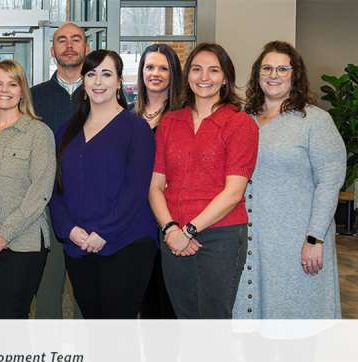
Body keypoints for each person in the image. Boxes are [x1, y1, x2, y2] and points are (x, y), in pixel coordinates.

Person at [234, 41, 345, 319]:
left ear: (295, 75)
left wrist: (315, 237)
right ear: (257, 74)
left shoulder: (315, 121)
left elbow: (329, 182)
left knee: (295, 326)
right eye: (267, 68)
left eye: (283, 68)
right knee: (252, 331)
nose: (274, 75)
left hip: (296, 241)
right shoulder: (243, 120)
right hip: (251, 241)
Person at [148, 43, 259, 319]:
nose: (204, 77)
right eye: (196, 70)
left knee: (213, 321)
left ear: (226, 77)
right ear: (187, 76)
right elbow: (154, 186)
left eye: (213, 70)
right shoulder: (171, 122)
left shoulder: (240, 123)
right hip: (172, 234)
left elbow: (233, 192)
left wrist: (189, 232)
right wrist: (171, 229)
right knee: (184, 318)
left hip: (221, 236)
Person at [49, 50, 156, 319]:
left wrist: (103, 232)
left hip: (125, 244)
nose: (98, 81)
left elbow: (136, 189)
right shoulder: (65, 131)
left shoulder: (136, 128)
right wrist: (68, 229)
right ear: (83, 81)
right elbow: (55, 187)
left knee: (118, 333)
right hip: (79, 246)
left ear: (119, 81)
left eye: (106, 74)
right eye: (91, 74)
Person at [0, 59, 55, 319]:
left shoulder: (38, 132)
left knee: (11, 321)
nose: (5, 90)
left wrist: (4, 235)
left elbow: (41, 192)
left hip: (21, 245)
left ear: (22, 90)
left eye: (12, 84)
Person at [30, 22, 89, 318]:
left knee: (89, 298)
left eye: (76, 39)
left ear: (86, 48)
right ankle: (49, 361)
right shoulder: (32, 97)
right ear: (52, 51)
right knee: (48, 298)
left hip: (92, 214)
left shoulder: (101, 95)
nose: (69, 45)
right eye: (62, 40)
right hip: (47, 211)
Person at [134, 44, 183, 319]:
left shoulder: (184, 116)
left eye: (163, 68)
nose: (155, 73)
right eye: (150, 67)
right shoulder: (127, 115)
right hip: (137, 223)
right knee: (145, 303)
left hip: (172, 220)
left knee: (170, 304)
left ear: (173, 73)